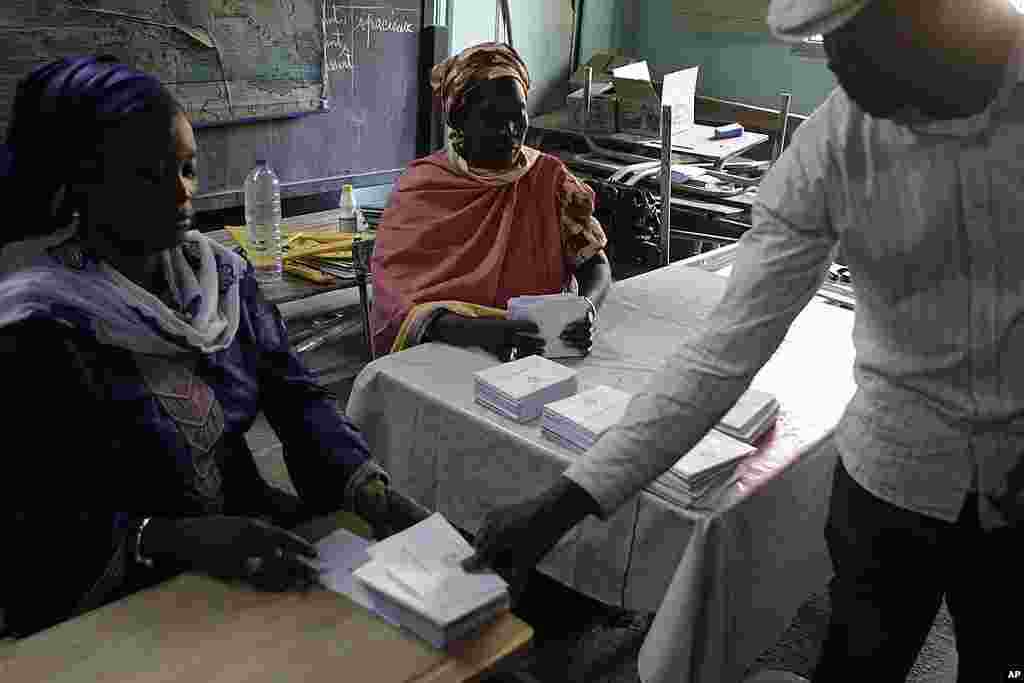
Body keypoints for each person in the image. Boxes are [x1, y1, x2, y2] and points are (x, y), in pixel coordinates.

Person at [463, 1, 1024, 680]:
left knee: (999, 653)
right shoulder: (834, 147)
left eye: (857, 45)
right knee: (861, 662)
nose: (841, 71)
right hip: (893, 477)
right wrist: (559, 506)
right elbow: (721, 351)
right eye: (828, 47)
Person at [0, 56, 430, 638]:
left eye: (187, 168)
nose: (183, 193)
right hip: (115, 590)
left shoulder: (220, 283)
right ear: (85, 185)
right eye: (150, 176)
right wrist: (171, 539)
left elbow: (296, 398)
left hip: (247, 541)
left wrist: (372, 492)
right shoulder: (40, 327)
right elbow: (36, 516)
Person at [369, 42, 612, 360]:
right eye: (492, 118)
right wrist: (480, 331)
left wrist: (585, 308)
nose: (509, 131)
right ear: (458, 120)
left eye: (518, 116)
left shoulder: (551, 181)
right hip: (446, 353)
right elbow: (395, 297)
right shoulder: (421, 190)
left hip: (538, 352)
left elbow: (595, 263)